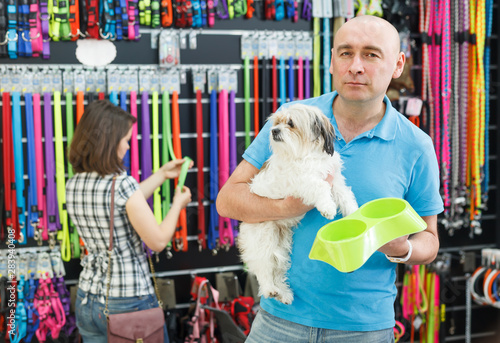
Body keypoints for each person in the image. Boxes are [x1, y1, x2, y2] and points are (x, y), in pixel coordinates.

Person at [217, 15, 443, 343]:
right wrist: (288, 206)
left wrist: (402, 248)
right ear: (332, 61)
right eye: (345, 53)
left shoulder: (416, 145)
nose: (355, 66)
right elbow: (227, 201)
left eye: (371, 54)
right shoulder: (291, 119)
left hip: (363, 329)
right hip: (278, 321)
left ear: (397, 65)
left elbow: (430, 240)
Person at [66, 100, 192, 342]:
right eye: (125, 140)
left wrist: (162, 175)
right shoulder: (121, 183)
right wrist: (177, 204)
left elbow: (123, 204)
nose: (127, 147)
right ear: (109, 143)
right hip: (128, 300)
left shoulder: (74, 183)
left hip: (88, 299)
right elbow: (157, 241)